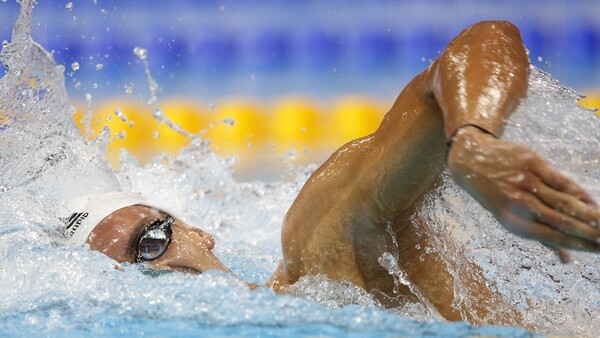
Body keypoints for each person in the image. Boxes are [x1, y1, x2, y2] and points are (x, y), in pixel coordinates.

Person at [61, 21, 600, 327]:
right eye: (121, 277)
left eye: (150, 242)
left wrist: (474, 145)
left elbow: (481, 43)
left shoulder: (320, 262)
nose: (150, 275)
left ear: (198, 233)